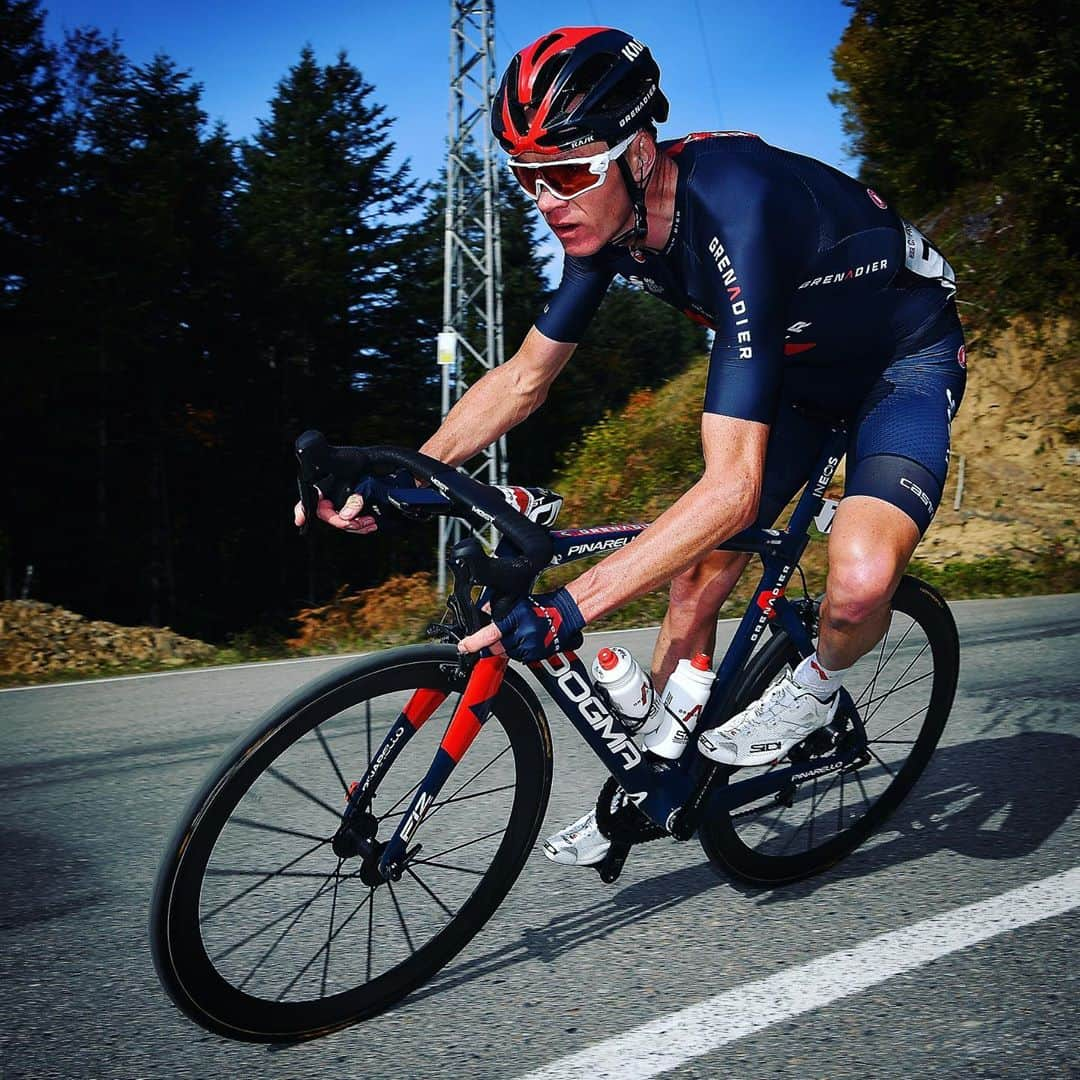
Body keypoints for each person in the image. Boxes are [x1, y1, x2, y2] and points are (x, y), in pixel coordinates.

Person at [295, 27, 966, 869]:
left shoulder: (739, 207)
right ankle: (662, 775)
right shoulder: (604, 226)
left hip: (901, 362)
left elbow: (732, 488)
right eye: (527, 177)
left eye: (569, 172)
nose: (547, 200)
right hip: (798, 374)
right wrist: (405, 471)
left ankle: (818, 688)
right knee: (695, 576)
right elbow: (523, 380)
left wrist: (574, 605)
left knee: (860, 582)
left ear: (639, 152)